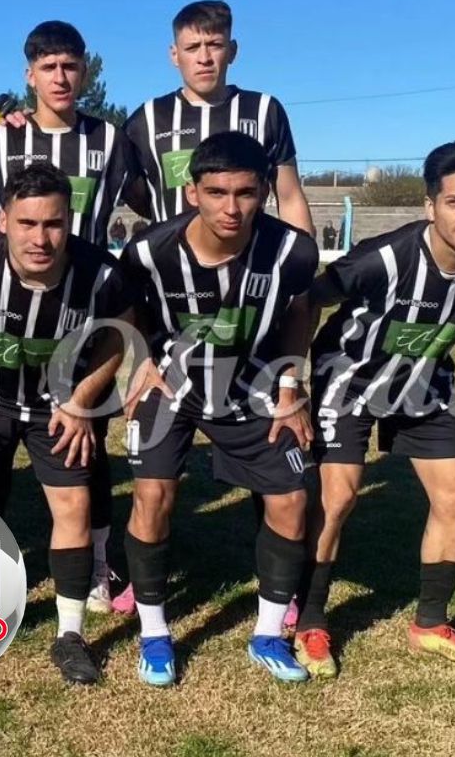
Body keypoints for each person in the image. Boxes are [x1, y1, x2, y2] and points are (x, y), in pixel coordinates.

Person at [294, 139, 455, 678]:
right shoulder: (384, 258)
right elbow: (308, 300)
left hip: (425, 382)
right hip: (349, 378)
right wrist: (291, 380)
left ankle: (431, 623)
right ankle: (310, 621)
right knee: (339, 494)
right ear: (430, 205)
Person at [0, 20, 138, 614]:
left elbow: (153, 204)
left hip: (80, 310)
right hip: (5, 310)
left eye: (70, 66)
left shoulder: (111, 140)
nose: (60, 77)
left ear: (84, 71)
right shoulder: (1, 139)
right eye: (48, 67)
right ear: (29, 75)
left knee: (86, 444)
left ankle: (98, 562)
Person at [120, 132, 319, 686]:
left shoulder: (293, 250)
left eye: (246, 193)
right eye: (216, 192)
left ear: (264, 193)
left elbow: (301, 310)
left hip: (254, 387)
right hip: (174, 387)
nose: (231, 207)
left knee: (291, 501)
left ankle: (268, 635)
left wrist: (290, 383)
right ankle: (155, 634)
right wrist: (142, 357)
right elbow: (128, 306)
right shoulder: (149, 251)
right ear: (192, 193)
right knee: (152, 496)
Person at [0, 162, 128, 684]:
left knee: (74, 505)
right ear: (2, 220)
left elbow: (119, 335)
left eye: (53, 224)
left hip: (56, 409)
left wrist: (81, 401)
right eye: (27, 223)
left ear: (69, 221)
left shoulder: (101, 273)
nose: (40, 238)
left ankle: (70, 635)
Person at [124, 0, 313, 236]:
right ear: (174, 55)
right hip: (171, 257)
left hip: (250, 257)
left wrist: (303, 253)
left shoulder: (264, 110)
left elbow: (290, 197)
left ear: (232, 51)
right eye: (192, 47)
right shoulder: (147, 119)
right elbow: (137, 196)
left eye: (214, 45)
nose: (204, 58)